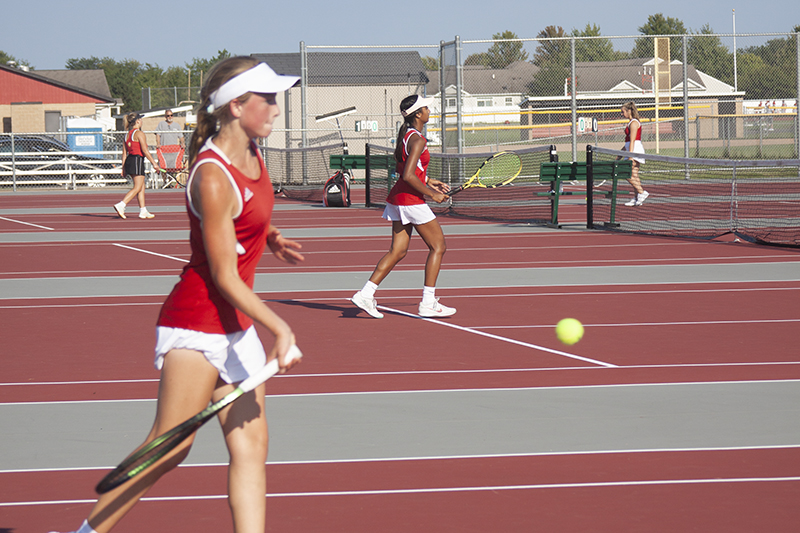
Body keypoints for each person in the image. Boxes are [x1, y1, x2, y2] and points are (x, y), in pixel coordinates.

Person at [52, 57, 304, 533]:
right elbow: (225, 277)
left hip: (236, 326)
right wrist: (282, 326)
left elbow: (246, 209)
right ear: (235, 105)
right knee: (170, 447)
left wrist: (268, 235)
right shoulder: (211, 175)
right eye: (267, 98)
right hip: (197, 324)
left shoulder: (251, 151)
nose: (275, 107)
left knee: (251, 449)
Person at [351, 94, 455, 319]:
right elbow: (408, 175)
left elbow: (407, 170)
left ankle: (365, 294)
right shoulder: (418, 140)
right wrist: (433, 195)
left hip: (399, 199)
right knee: (438, 246)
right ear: (418, 114)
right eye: (426, 108)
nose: (429, 111)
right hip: (410, 200)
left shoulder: (406, 136)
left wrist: (428, 180)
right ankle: (428, 302)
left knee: (398, 251)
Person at [113, 113, 160, 219]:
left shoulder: (126, 135)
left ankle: (143, 210)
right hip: (137, 160)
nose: (142, 121)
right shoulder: (139, 133)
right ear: (137, 121)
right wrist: (154, 163)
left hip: (130, 160)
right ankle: (122, 204)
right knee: (137, 187)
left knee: (141, 187)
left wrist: (124, 168)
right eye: (141, 119)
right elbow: (145, 150)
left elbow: (124, 154)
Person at [620, 101, 649, 206]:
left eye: (623, 112)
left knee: (624, 172)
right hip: (631, 150)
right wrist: (619, 155)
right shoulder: (630, 122)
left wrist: (631, 156)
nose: (622, 114)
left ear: (629, 111)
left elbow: (632, 141)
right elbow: (627, 142)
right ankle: (637, 197)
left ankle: (641, 192)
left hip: (635, 151)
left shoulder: (634, 123)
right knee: (634, 175)